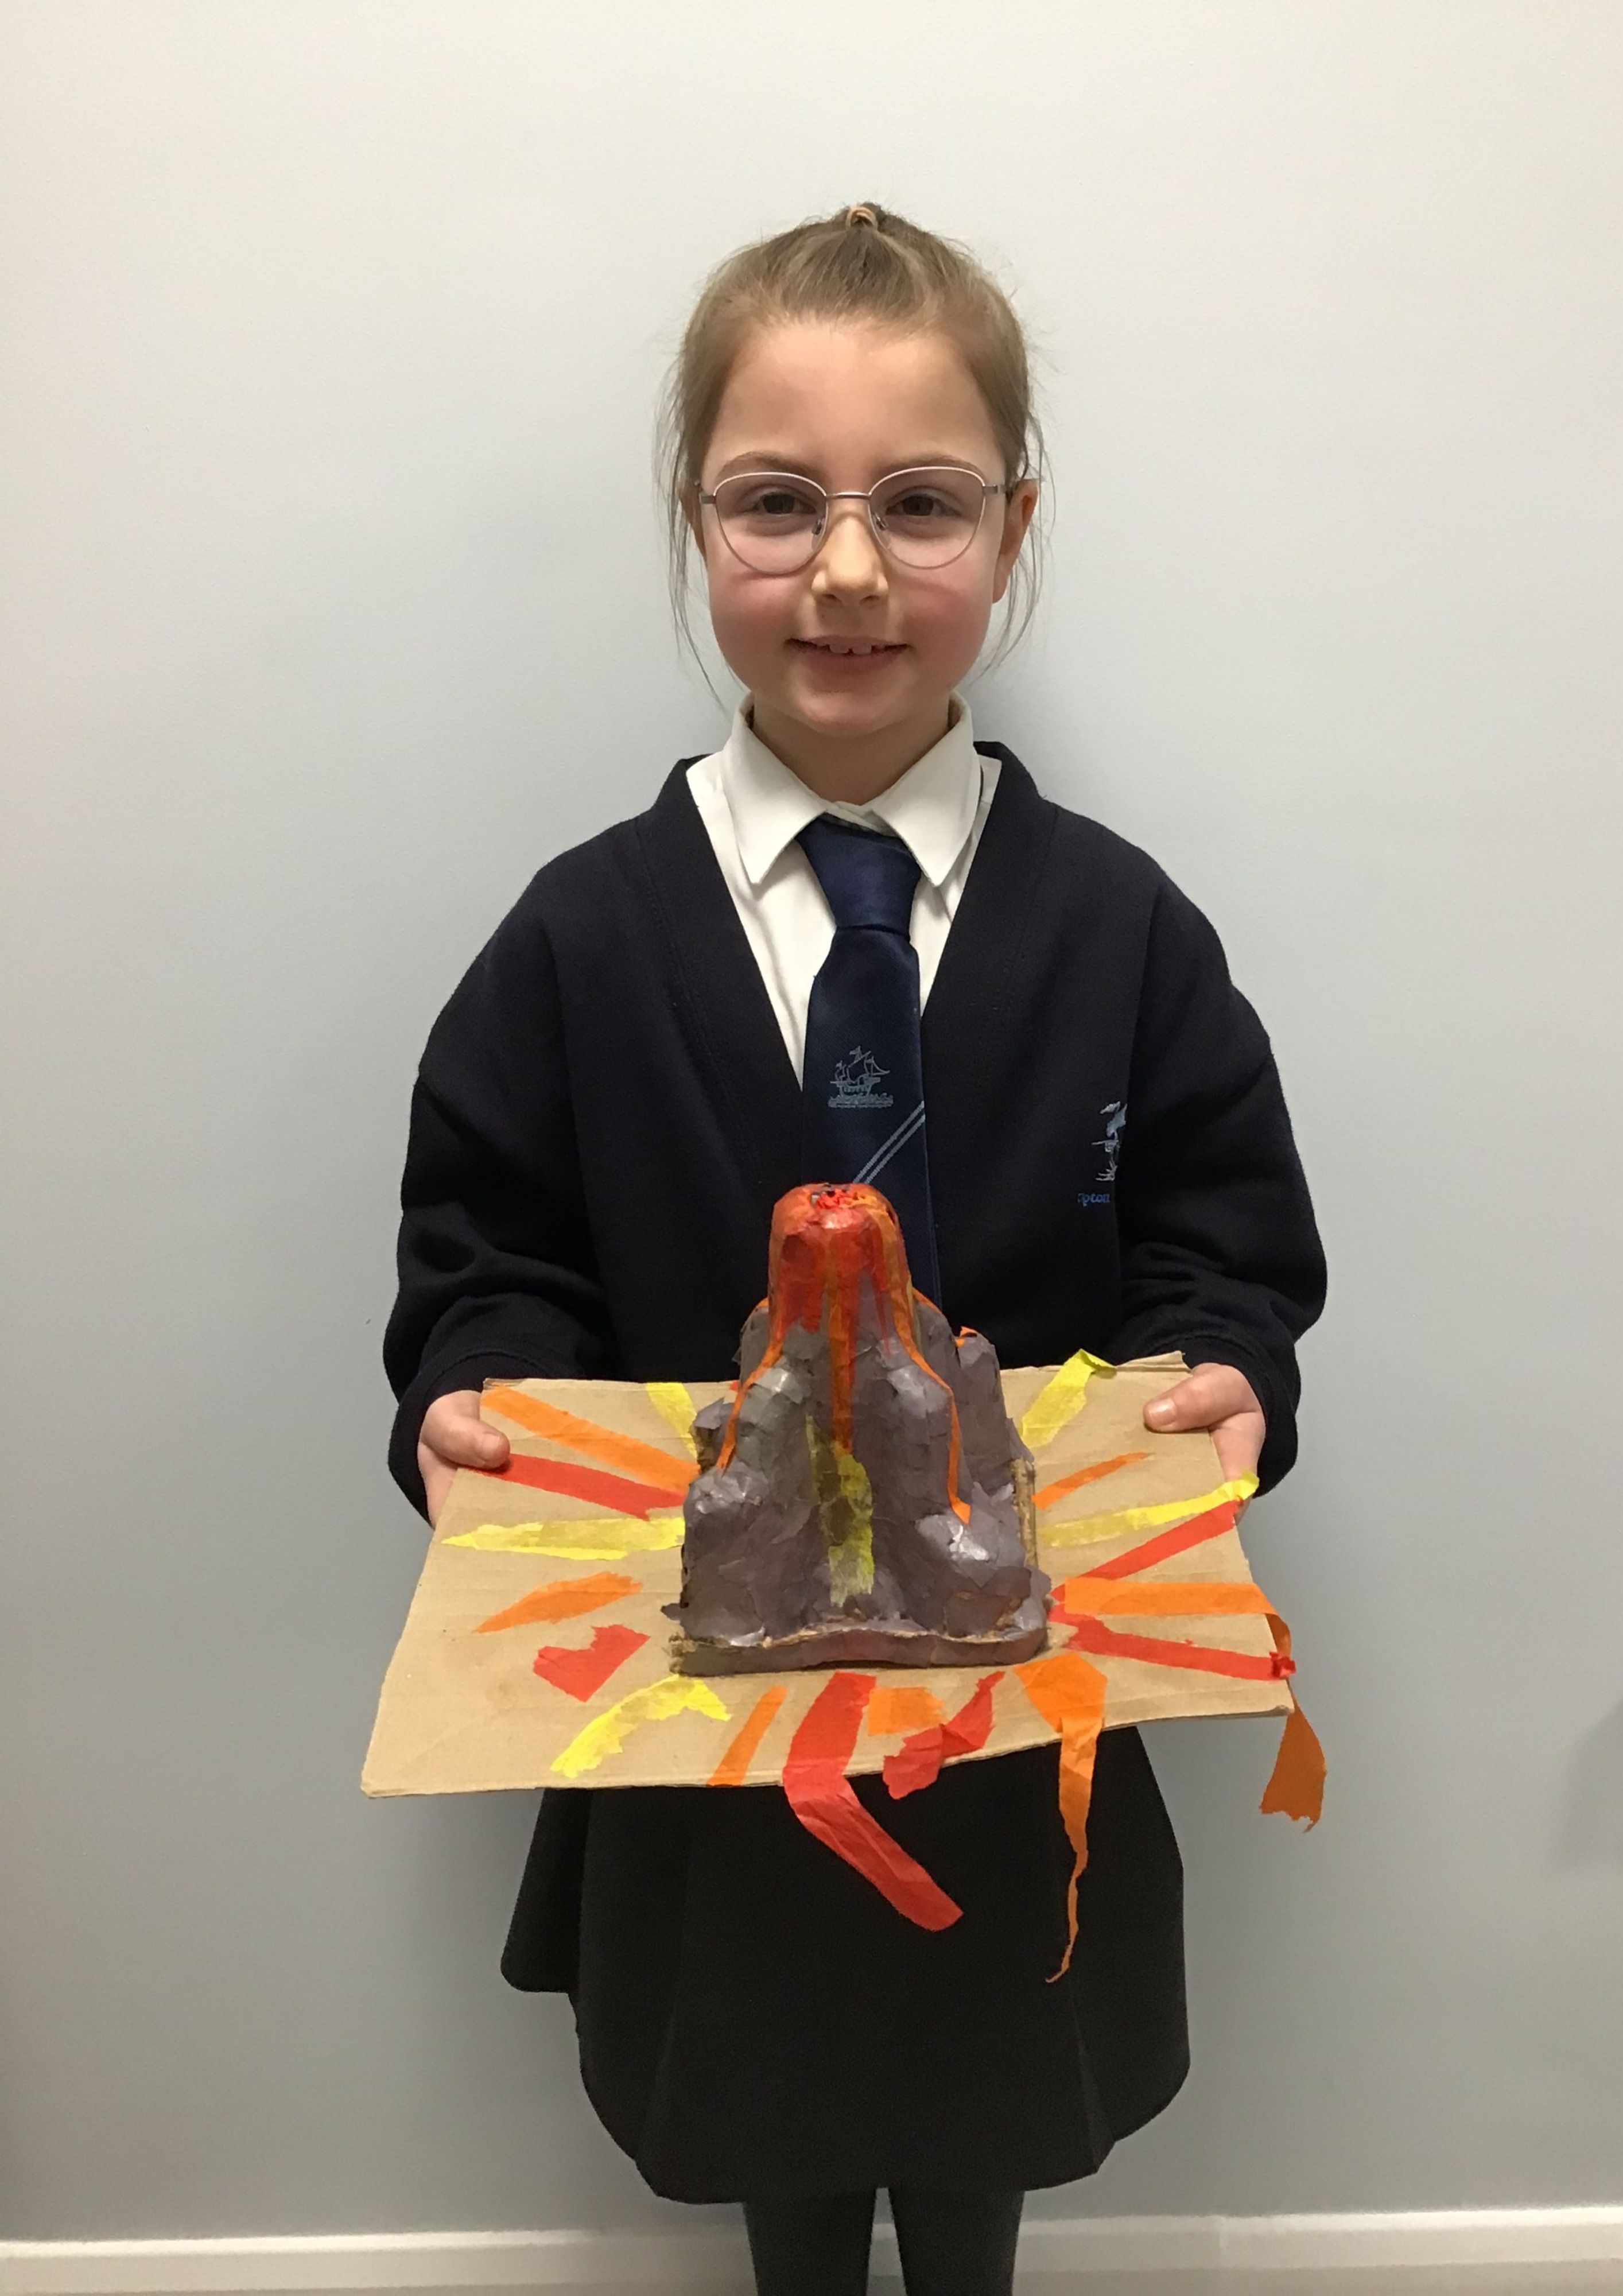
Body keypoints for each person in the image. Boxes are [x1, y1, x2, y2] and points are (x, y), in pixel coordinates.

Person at [384, 202, 1325, 2296]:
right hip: (708, 1715)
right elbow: (489, 1245)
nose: (845, 570)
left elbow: (1225, 1234)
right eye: (774, 502)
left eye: (919, 503)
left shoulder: (1123, 930)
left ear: (1013, 525)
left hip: (1013, 1705)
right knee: (772, 2120)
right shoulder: (580, 938)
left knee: (986, 2105)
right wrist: (472, 1388)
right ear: (693, 522)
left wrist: (1224, 1357)